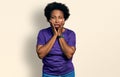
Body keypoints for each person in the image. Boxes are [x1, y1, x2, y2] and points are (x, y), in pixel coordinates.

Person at [36, 2, 76, 77]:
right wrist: (55, 35)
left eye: (60, 17)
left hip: (67, 73)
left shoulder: (70, 34)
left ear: (64, 19)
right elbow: (41, 54)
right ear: (49, 19)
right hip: (49, 73)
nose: (57, 21)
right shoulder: (42, 33)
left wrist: (60, 35)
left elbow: (69, 54)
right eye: (53, 17)